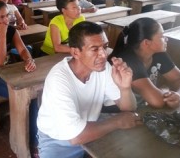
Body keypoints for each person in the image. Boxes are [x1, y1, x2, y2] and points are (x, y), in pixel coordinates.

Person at [37, 21, 139, 158]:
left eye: (105, 46)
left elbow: (128, 108)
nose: (104, 55)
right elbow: (75, 137)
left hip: (91, 128)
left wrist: (125, 88)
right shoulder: (59, 79)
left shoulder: (102, 68)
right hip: (59, 141)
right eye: (95, 49)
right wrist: (117, 122)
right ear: (75, 52)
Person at [0, 0, 39, 154]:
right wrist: (3, 35)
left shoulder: (12, 30)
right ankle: (28, 141)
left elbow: (23, 49)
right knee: (24, 96)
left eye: (8, 16)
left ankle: (35, 138)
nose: (6, 20)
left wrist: (28, 59)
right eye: (1, 17)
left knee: (33, 95)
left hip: (10, 74)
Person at [109, 17, 180, 116]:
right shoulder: (128, 61)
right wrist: (167, 96)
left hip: (139, 109)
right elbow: (158, 101)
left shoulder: (157, 53)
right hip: (116, 114)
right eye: (162, 36)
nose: (166, 39)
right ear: (147, 43)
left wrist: (179, 95)